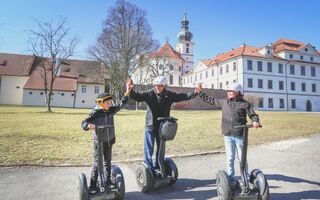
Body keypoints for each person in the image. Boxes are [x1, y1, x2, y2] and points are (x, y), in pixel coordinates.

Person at [126, 76, 202, 176]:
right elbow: (138, 96)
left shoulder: (169, 95)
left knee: (161, 148)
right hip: (150, 124)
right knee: (149, 148)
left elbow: (182, 96)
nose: (158, 87)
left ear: (164, 86)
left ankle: (158, 165)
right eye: (156, 85)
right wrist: (130, 90)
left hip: (163, 126)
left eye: (160, 86)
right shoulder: (149, 93)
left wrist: (195, 92)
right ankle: (149, 168)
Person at [198, 83, 260, 181]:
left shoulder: (245, 104)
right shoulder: (224, 102)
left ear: (238, 92)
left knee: (242, 158)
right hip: (228, 135)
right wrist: (200, 93)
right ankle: (231, 177)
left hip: (240, 135)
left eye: (231, 91)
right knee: (230, 157)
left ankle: (245, 176)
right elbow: (211, 100)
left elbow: (253, 115)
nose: (229, 93)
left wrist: (255, 121)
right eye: (228, 91)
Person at [81, 82, 132, 194]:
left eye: (110, 102)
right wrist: (88, 126)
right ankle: (93, 185)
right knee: (97, 163)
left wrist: (127, 92)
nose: (110, 103)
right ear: (100, 103)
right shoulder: (95, 113)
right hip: (98, 142)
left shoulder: (111, 110)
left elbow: (121, 104)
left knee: (107, 162)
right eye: (107, 102)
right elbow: (84, 122)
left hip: (109, 141)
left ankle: (108, 181)